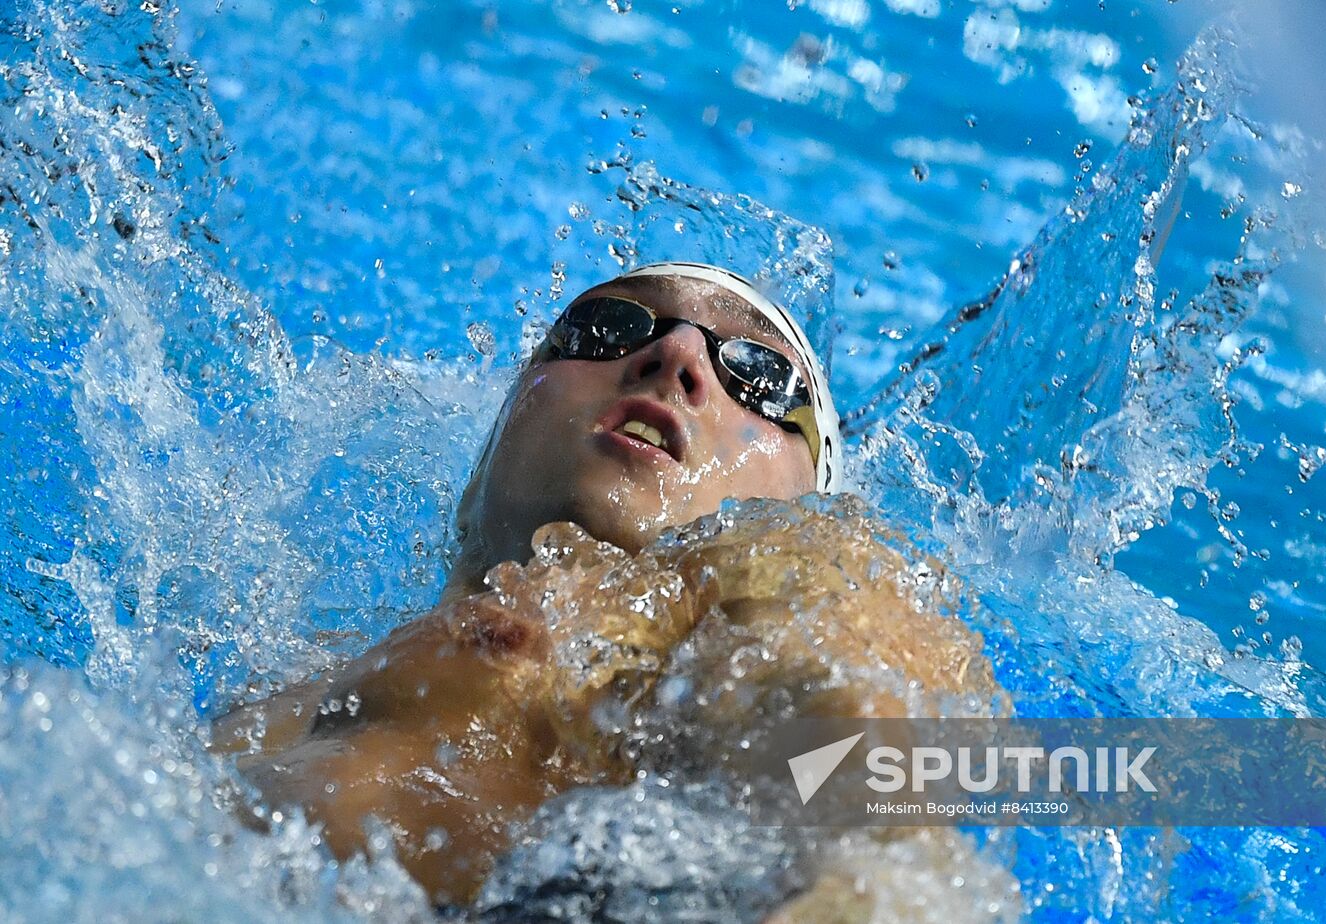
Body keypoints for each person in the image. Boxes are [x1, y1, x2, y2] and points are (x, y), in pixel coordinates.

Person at [212, 263, 1006, 918]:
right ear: (484, 462)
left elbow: (845, 736)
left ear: (809, 499)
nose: (680, 357)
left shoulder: (772, 584)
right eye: (610, 327)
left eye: (761, 378)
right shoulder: (296, 664)